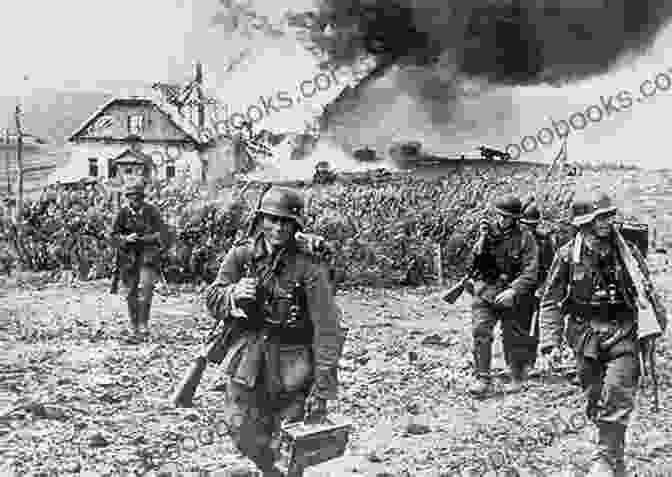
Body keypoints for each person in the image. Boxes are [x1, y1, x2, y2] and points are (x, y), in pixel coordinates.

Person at [204, 186, 345, 477]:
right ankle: (271, 470)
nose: (279, 227)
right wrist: (232, 293)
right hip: (247, 359)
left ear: (296, 226)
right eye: (272, 219)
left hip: (293, 364)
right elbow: (212, 298)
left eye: (286, 222)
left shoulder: (309, 265)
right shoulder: (242, 255)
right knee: (240, 429)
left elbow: (327, 328)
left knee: (290, 441)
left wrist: (322, 387)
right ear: (261, 220)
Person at [537, 191, 666, 476]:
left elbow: (648, 293)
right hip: (585, 335)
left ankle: (604, 458)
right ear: (584, 222)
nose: (606, 222)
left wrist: (655, 326)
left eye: (608, 215)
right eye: (599, 217)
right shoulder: (568, 255)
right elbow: (551, 300)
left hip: (623, 333)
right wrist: (549, 343)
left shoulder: (628, 253)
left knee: (617, 394)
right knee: (595, 398)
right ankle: (615, 458)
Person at [469, 194, 539, 396]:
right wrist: (482, 237)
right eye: (499, 215)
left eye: (507, 217)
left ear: (516, 219)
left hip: (510, 292)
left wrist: (514, 290)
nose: (502, 220)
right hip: (486, 290)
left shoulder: (526, 238)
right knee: (481, 330)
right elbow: (474, 261)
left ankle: (515, 376)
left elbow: (530, 271)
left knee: (513, 335)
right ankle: (482, 378)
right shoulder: (487, 233)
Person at [110, 181, 165, 341]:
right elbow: (113, 236)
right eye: (132, 198)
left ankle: (143, 323)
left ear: (142, 198)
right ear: (128, 198)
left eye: (138, 197)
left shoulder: (151, 211)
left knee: (147, 288)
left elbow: (161, 233)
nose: (135, 201)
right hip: (128, 258)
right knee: (131, 292)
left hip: (148, 256)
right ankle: (134, 324)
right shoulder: (122, 213)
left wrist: (145, 238)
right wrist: (126, 238)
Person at [520, 204, 557, 344]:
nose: (529, 228)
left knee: (533, 327)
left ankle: (530, 360)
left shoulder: (544, 241)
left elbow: (553, 269)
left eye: (533, 225)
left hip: (536, 288)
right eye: (526, 224)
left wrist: (543, 288)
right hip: (518, 287)